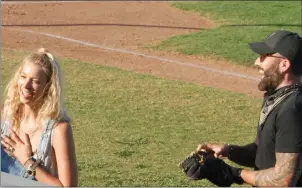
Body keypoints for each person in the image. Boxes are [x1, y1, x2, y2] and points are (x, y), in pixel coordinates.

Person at [196, 30, 302, 186]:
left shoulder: (292, 109)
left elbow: (284, 179)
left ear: (284, 64)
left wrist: (235, 174)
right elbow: (263, 153)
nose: (256, 62)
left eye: (264, 56)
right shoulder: (278, 98)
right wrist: (227, 150)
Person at [1, 48, 78, 186]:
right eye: (23, 77)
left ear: (49, 87)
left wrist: (27, 161)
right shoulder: (4, 114)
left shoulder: (59, 130)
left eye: (35, 81)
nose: (26, 85)